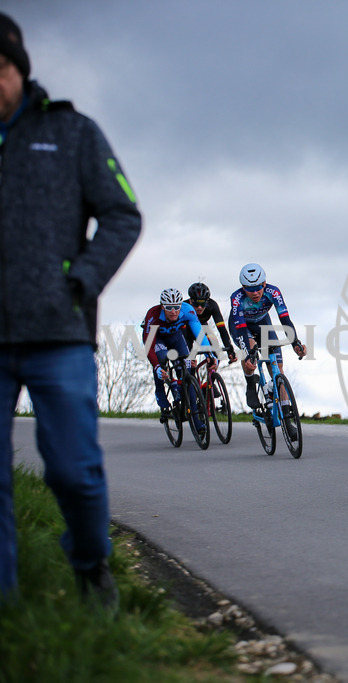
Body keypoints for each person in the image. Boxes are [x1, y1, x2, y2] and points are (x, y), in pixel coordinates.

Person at [0, 13, 141, 609]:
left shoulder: (72, 132)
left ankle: (90, 563)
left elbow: (122, 213)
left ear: (17, 71)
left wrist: (80, 278)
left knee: (74, 469)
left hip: (59, 330)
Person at [229, 264, 306, 439]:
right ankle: (250, 384)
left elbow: (284, 319)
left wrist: (295, 343)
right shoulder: (236, 299)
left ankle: (287, 420)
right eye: (250, 289)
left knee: (278, 371)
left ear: (264, 284)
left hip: (263, 324)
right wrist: (248, 352)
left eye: (258, 288)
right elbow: (240, 329)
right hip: (241, 327)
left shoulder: (274, 292)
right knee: (250, 355)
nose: (255, 293)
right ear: (243, 288)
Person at [141, 288, 214, 423]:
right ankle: (160, 394)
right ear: (162, 307)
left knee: (187, 372)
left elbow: (199, 333)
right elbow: (148, 347)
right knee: (161, 358)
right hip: (157, 339)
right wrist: (157, 367)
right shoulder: (153, 315)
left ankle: (196, 420)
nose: (173, 311)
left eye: (176, 307)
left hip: (175, 337)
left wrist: (209, 354)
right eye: (169, 308)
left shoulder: (188, 310)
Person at [186, 282, 237, 364]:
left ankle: (211, 374)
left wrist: (230, 350)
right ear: (190, 301)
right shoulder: (184, 306)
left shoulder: (212, 305)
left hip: (203, 328)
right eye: (196, 303)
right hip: (186, 331)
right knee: (189, 360)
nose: (199, 307)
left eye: (202, 304)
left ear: (207, 302)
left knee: (216, 353)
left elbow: (222, 329)